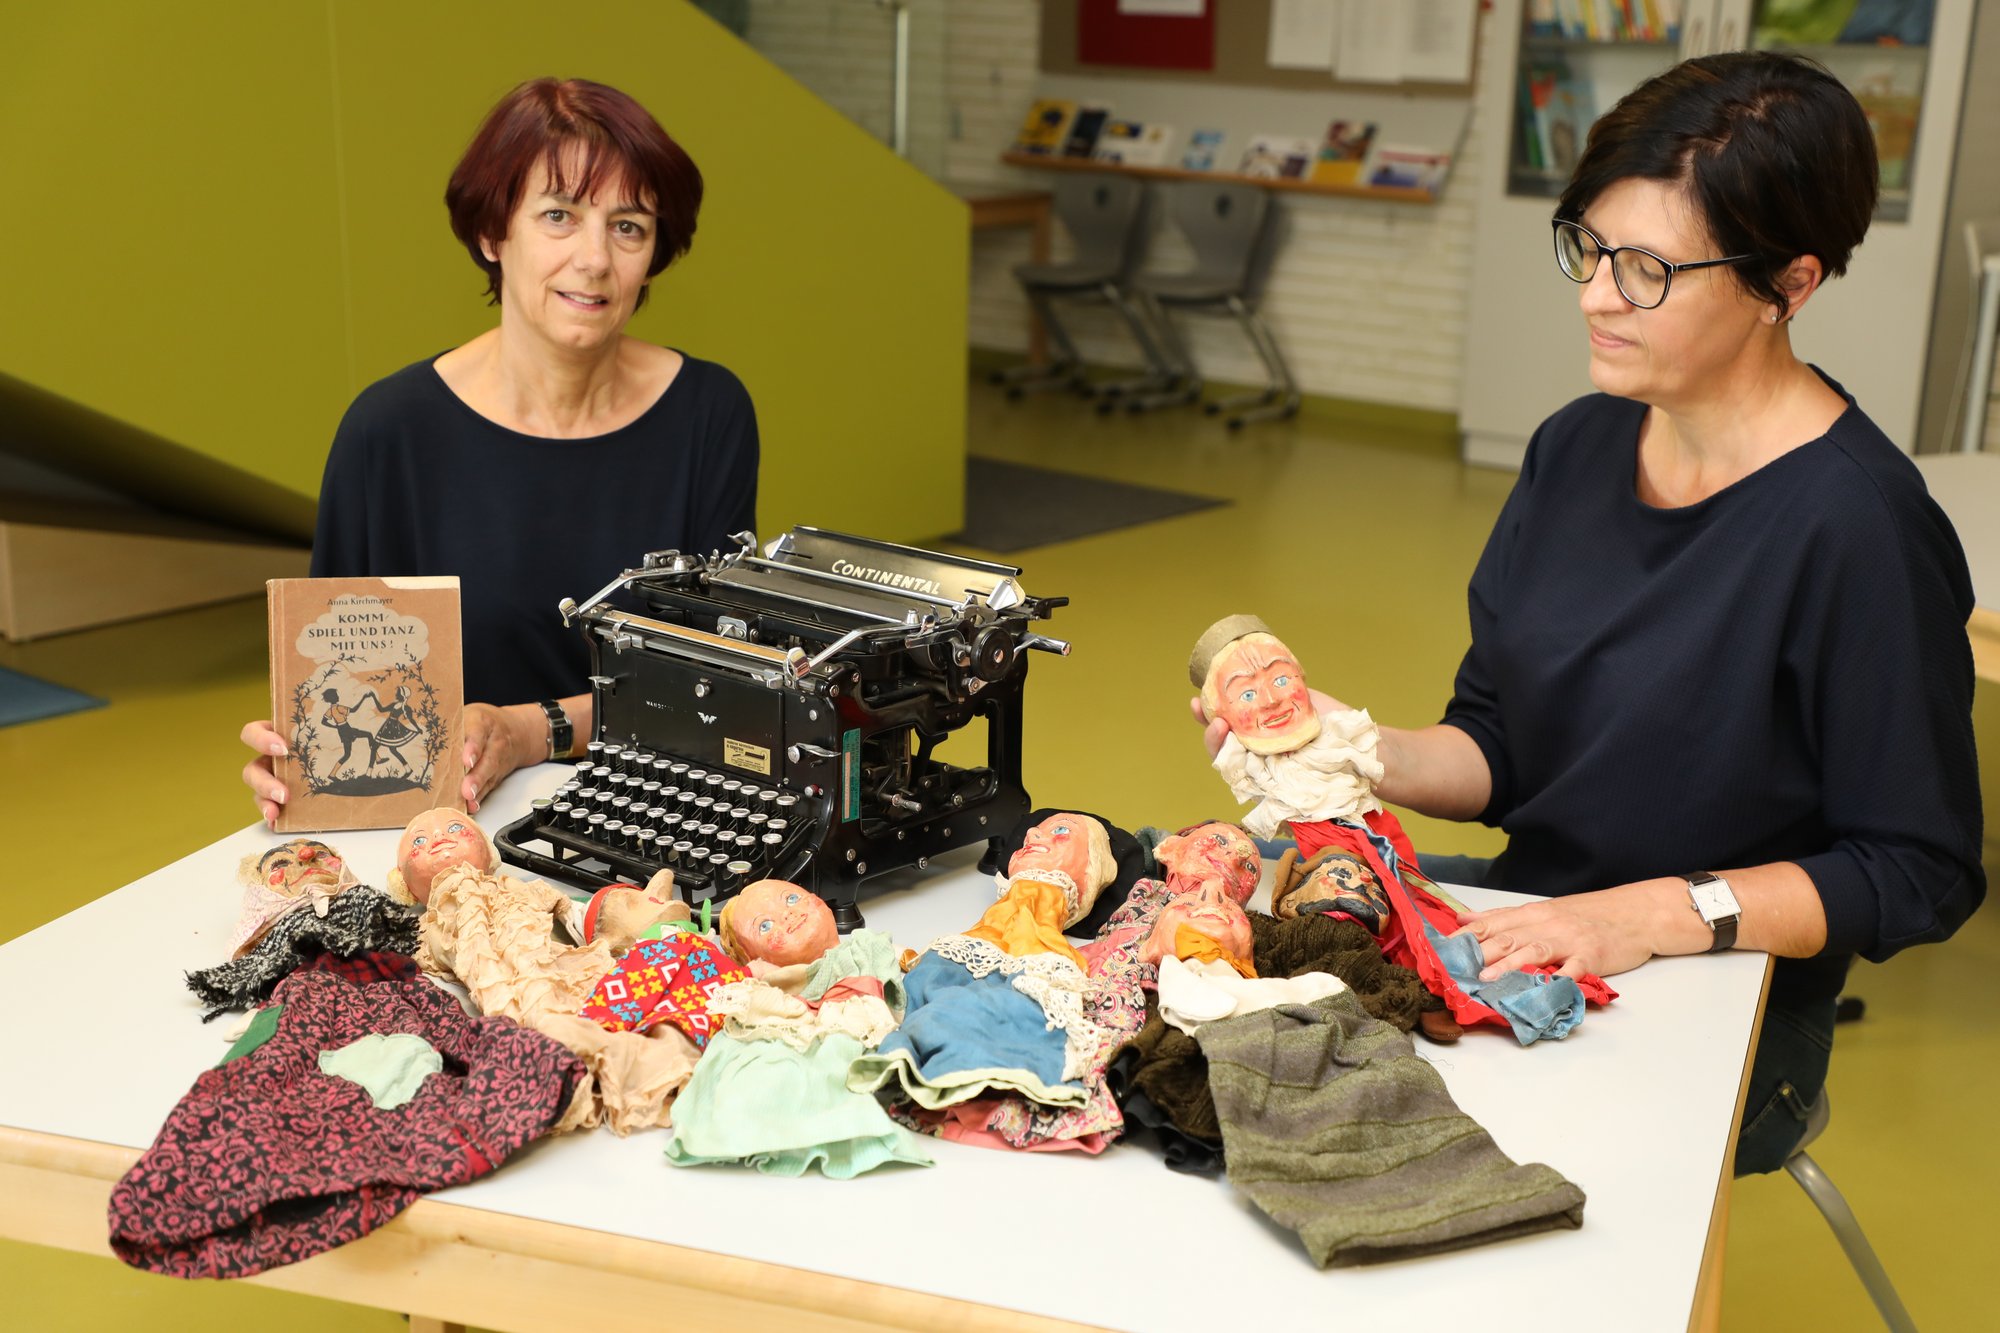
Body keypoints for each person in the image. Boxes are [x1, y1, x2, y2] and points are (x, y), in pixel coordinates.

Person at [1197, 52, 1983, 1174]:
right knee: (1200, 969)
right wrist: (1351, 745)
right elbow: (1502, 748)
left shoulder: (1856, 529)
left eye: (1649, 269)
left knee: (1353, 1132)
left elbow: (1915, 866)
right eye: (1590, 248)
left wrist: (1641, 917)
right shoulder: (1575, 447)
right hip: (1531, 923)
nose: (1596, 295)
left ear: (1788, 285)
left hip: (1726, 993)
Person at [241, 78, 758, 822]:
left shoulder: (710, 414)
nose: (594, 260)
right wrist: (298, 755)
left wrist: (529, 729)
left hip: (661, 809)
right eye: (558, 216)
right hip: (451, 821)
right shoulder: (388, 433)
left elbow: (721, 689)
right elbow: (343, 683)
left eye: (629, 227)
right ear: (494, 234)